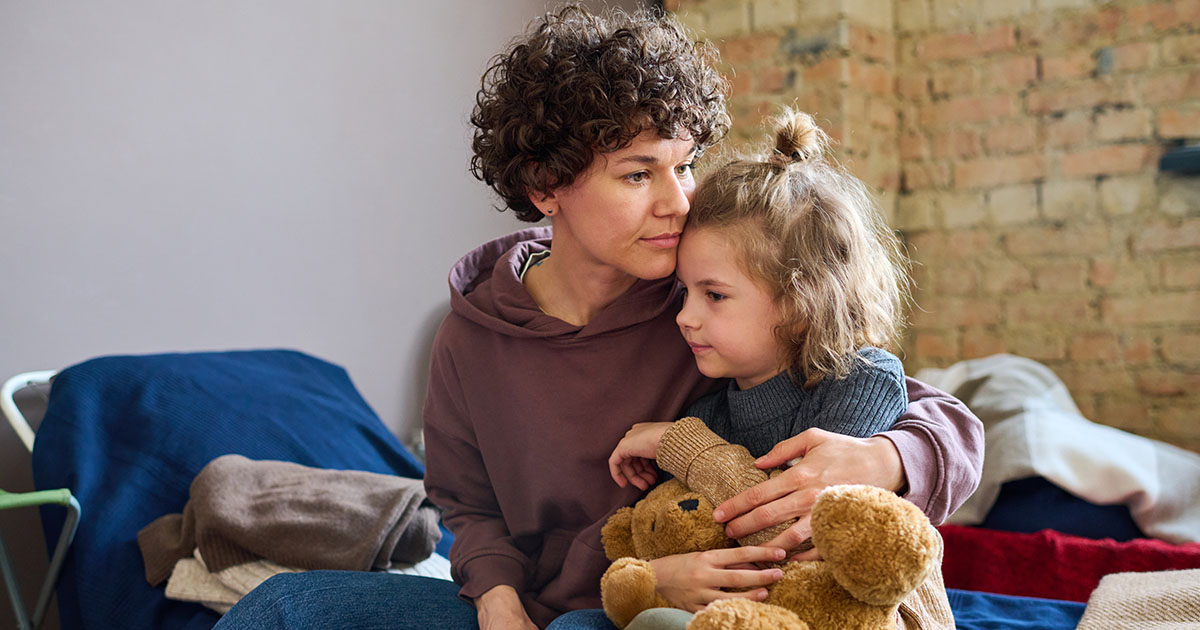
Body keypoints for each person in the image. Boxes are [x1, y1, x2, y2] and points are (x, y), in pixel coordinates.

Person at [213, 6, 983, 630]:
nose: (678, 201)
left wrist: (883, 460)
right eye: (638, 173)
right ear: (548, 186)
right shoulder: (472, 337)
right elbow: (467, 505)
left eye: (683, 166)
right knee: (285, 606)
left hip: (663, 605)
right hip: (553, 602)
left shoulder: (707, 305)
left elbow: (928, 412)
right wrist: (496, 598)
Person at [604, 109, 955, 628]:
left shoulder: (862, 380)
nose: (685, 317)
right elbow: (707, 536)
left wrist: (683, 446)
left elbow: (794, 529)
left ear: (798, 304)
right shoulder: (710, 410)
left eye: (715, 295)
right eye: (686, 292)